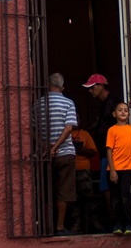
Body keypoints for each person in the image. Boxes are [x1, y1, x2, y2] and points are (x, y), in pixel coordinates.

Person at [35, 72, 79, 236]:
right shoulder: (68, 103)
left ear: (47, 85)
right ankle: (59, 227)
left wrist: (46, 146)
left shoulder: (38, 104)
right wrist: (56, 148)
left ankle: (46, 225)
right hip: (65, 153)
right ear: (63, 87)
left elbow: (30, 128)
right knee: (63, 191)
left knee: (45, 189)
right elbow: (69, 128)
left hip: (43, 154)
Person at [83, 73, 119, 213]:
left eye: (92, 87)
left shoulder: (112, 102)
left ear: (101, 86)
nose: (90, 91)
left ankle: (114, 218)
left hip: (112, 153)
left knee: (109, 187)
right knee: (106, 187)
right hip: (105, 152)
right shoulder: (105, 103)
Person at [106, 101, 131, 235]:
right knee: (115, 197)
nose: (123, 112)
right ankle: (117, 224)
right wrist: (113, 169)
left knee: (125, 195)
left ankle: (129, 224)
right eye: (120, 110)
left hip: (128, 167)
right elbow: (109, 150)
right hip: (115, 169)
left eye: (126, 110)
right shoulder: (112, 130)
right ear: (114, 114)